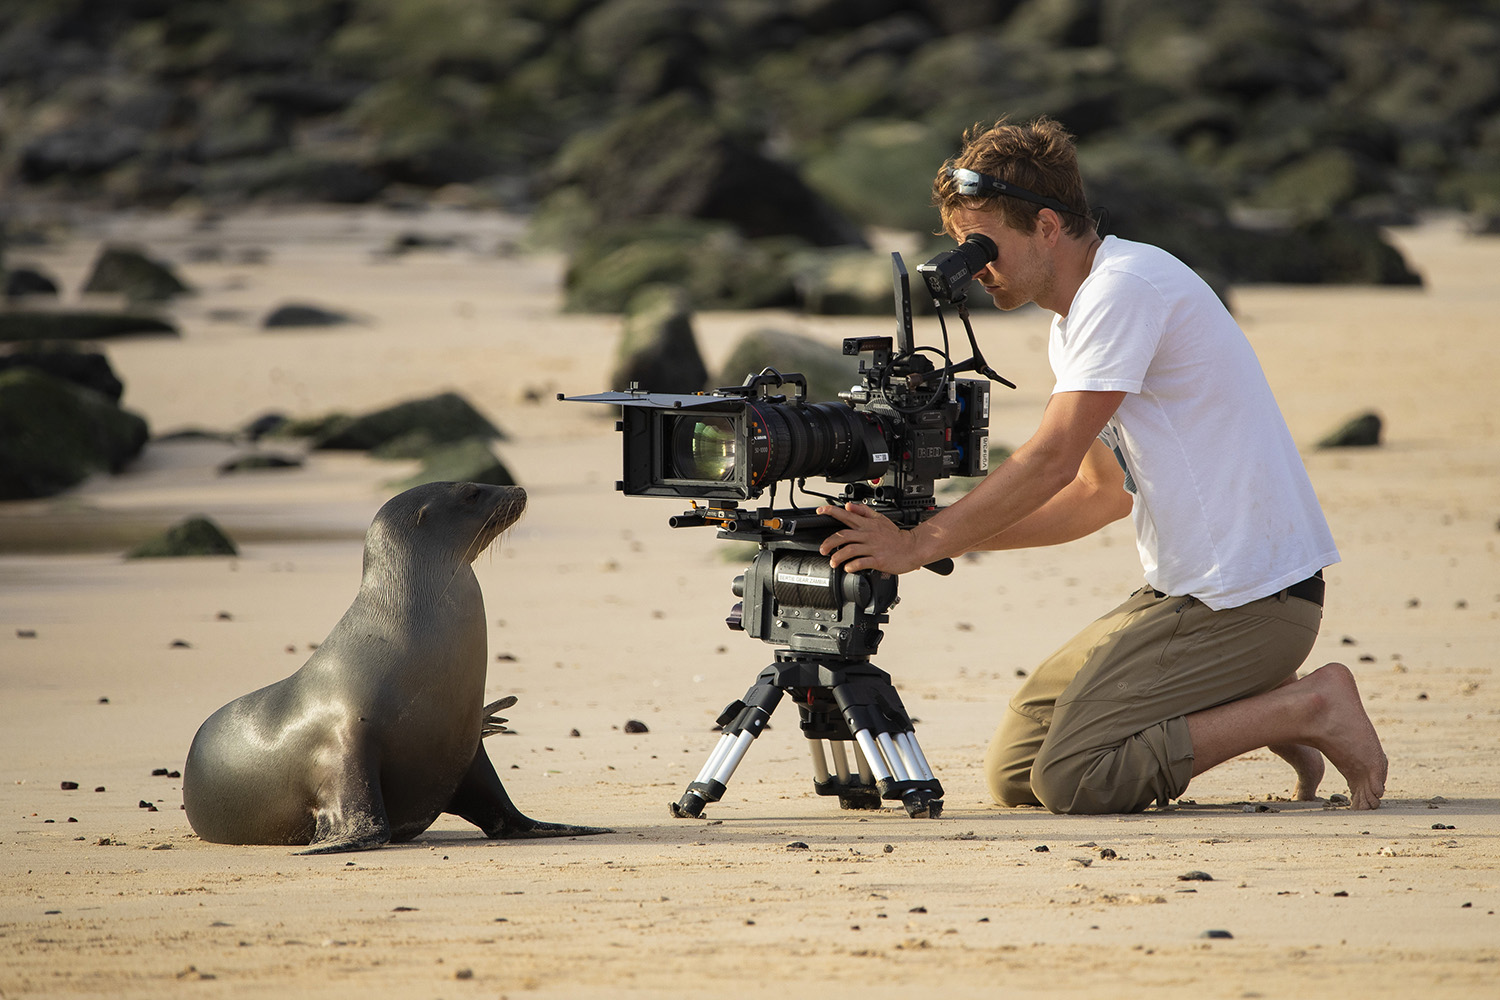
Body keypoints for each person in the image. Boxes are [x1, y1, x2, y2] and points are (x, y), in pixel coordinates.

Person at [817, 117, 1387, 814]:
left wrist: (923, 545)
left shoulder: (1126, 289)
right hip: (1190, 593)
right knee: (1019, 771)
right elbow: (1097, 495)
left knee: (1077, 778)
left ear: (1048, 226)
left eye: (982, 244)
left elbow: (1053, 458)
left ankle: (1308, 705)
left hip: (1247, 599)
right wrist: (933, 528)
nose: (974, 266)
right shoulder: (1079, 317)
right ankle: (1261, 696)